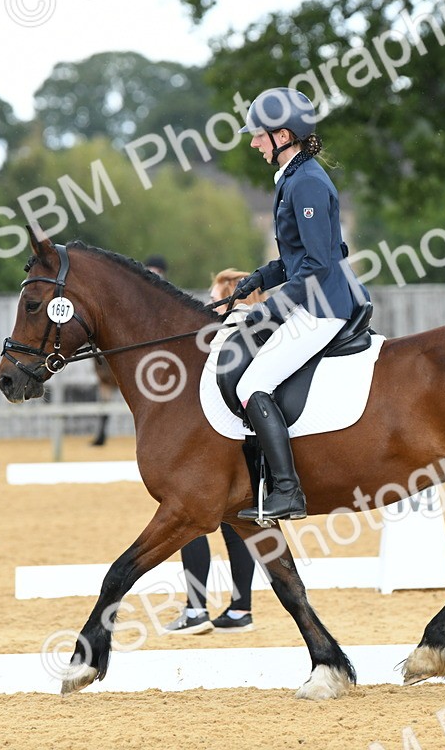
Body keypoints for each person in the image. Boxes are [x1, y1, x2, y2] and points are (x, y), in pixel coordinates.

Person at [230, 87, 370, 522]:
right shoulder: (295, 177)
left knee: (250, 385)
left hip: (322, 307)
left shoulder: (306, 182)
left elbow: (318, 263)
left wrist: (269, 308)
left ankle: (287, 491)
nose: (254, 143)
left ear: (283, 135)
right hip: (313, 298)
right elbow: (301, 255)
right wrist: (262, 278)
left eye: (259, 135)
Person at [163, 269, 265, 634]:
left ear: (233, 295)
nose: (209, 303)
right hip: (244, 449)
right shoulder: (260, 330)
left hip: (216, 443)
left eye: (214, 295)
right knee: (236, 524)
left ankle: (195, 608)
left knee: (188, 521)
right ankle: (240, 608)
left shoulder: (227, 332)